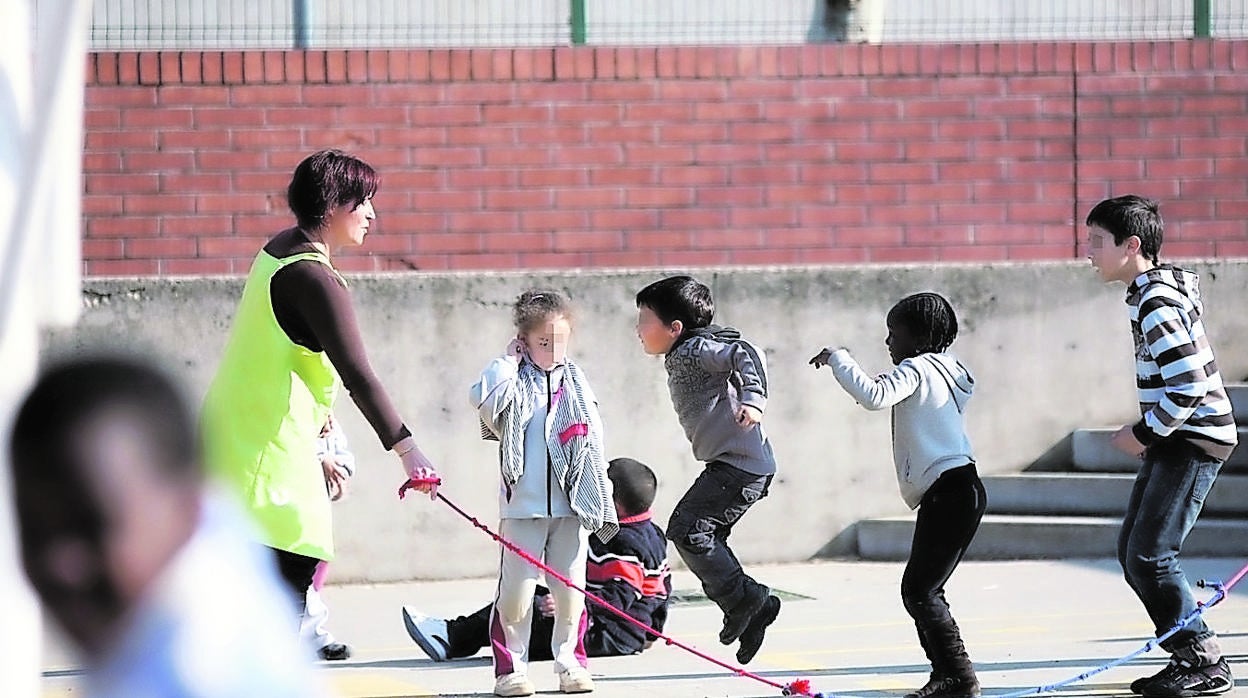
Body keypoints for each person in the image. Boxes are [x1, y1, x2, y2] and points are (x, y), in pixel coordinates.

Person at [200, 149, 439, 620]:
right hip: (267, 455)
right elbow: (359, 373)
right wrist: (409, 451)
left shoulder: (280, 248)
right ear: (331, 206)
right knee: (288, 575)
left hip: (237, 441)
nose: (371, 213)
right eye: (361, 202)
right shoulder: (314, 278)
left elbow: (286, 347)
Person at [9, 356, 326, 697]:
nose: (60, 565)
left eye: (91, 526)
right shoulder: (214, 530)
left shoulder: (183, 678)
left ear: (187, 512)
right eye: (33, 530)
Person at [1084, 195, 1237, 698]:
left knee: (1150, 555)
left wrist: (1144, 433)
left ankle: (1202, 659)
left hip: (1193, 438)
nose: (1088, 252)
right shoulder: (1149, 295)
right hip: (1178, 437)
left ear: (1132, 246)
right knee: (1134, 552)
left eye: (1097, 242)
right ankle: (1187, 653)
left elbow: (1190, 383)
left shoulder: (1156, 301)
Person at [810, 292, 985, 698]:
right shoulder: (951, 368)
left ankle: (958, 677)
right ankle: (948, 676)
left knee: (920, 590)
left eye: (894, 333)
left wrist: (839, 358)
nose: (888, 343)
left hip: (949, 491)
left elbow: (873, 395)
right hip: (962, 488)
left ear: (917, 336)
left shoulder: (918, 369)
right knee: (922, 589)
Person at [469, 290, 617, 697]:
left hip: (572, 508)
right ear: (525, 339)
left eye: (560, 341)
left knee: (571, 593)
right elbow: (483, 399)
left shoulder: (577, 382)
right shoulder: (513, 380)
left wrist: (598, 491)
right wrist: (508, 359)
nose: (553, 351)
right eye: (543, 342)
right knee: (515, 595)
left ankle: (570, 663)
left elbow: (595, 440)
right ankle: (510, 671)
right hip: (523, 509)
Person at [633, 275, 780, 665]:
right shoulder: (687, 349)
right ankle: (750, 614)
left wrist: (754, 400)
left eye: (645, 320)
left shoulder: (695, 349)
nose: (638, 329)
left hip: (741, 466)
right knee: (702, 535)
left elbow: (748, 352)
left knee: (687, 529)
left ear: (674, 328)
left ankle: (747, 601)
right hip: (731, 464)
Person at [401, 457, 671, 663]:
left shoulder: (623, 543)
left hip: (605, 634)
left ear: (614, 503)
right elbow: (661, 591)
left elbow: (619, 596)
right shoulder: (650, 533)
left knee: (522, 604)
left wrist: (574, 604)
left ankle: (450, 638)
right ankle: (459, 635)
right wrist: (650, 633)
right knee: (531, 597)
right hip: (619, 634)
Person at [301, 414, 355, 661]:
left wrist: (340, 471)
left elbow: (340, 450)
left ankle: (309, 634)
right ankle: (313, 635)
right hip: (283, 498)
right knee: (296, 568)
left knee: (317, 561)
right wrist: (320, 458)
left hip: (314, 503)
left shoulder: (327, 416)